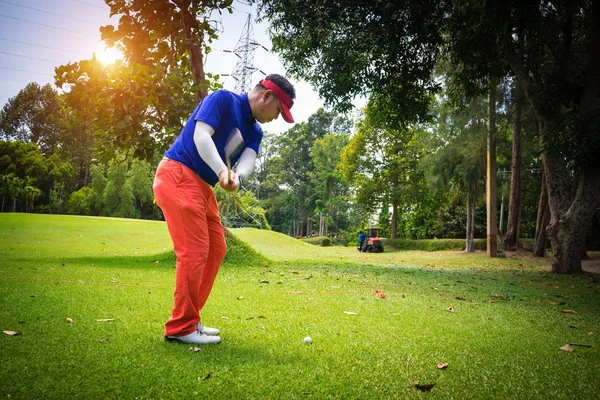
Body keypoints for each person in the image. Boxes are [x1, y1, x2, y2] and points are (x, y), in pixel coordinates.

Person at [153, 74, 296, 344]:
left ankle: (191, 319)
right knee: (194, 251)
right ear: (266, 96)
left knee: (217, 249)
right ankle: (180, 327)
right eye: (278, 110)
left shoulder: (255, 131)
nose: (276, 117)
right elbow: (201, 135)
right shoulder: (222, 99)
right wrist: (221, 170)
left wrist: (236, 178)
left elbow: (248, 160)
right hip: (179, 174)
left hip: (202, 187)